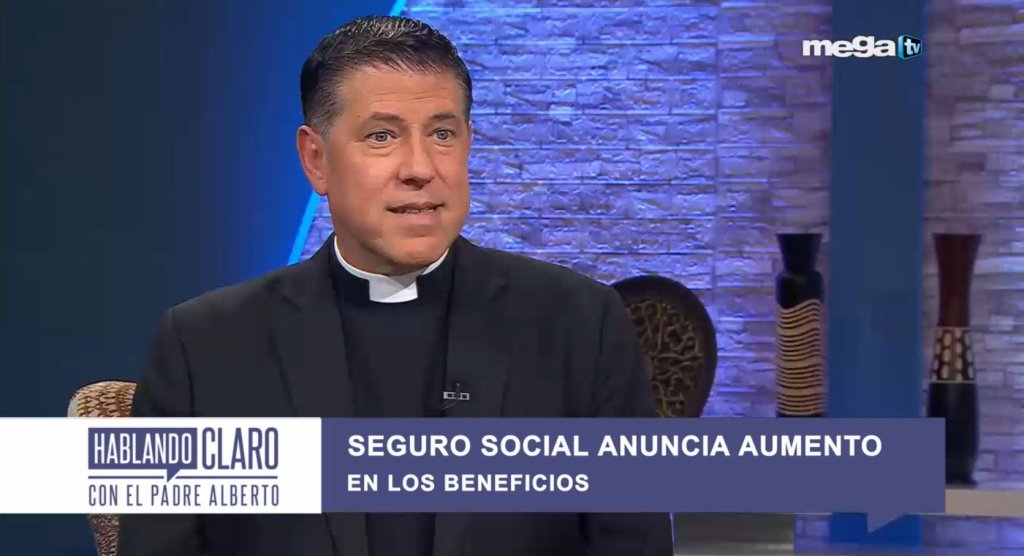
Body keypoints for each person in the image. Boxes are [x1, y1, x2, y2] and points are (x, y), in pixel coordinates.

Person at [118, 15, 673, 556]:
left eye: (442, 134)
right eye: (381, 136)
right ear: (316, 160)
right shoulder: (204, 346)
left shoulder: (581, 326)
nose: (419, 168)